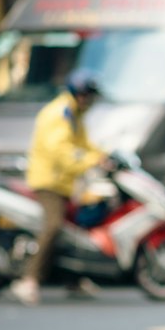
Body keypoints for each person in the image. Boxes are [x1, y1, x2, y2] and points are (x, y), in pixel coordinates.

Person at [10, 71, 107, 305]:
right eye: (88, 95)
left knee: (75, 230)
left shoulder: (75, 114)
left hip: (64, 182)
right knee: (53, 226)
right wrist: (90, 161)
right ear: (79, 94)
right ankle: (29, 280)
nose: (90, 101)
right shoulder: (60, 114)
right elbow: (61, 151)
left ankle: (72, 279)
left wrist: (104, 156)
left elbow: (85, 145)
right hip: (48, 182)